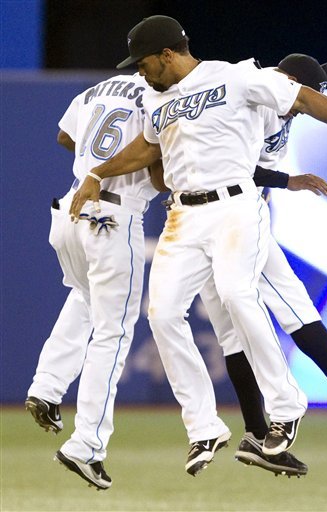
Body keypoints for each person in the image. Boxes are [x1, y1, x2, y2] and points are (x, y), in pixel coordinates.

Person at [69, 15, 327, 477]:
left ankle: (287, 407)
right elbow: (147, 149)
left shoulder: (234, 76)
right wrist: (96, 173)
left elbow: (307, 91)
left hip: (235, 207)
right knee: (163, 315)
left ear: (167, 54)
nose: (140, 71)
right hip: (183, 217)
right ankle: (207, 427)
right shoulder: (155, 97)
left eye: (143, 62)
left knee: (239, 295)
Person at [25, 72, 163, 491]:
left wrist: (91, 164)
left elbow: (64, 135)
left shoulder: (98, 88)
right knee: (113, 333)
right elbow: (157, 166)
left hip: (70, 209)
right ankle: (86, 445)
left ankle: (46, 387)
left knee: (85, 298)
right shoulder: (162, 95)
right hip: (112, 213)